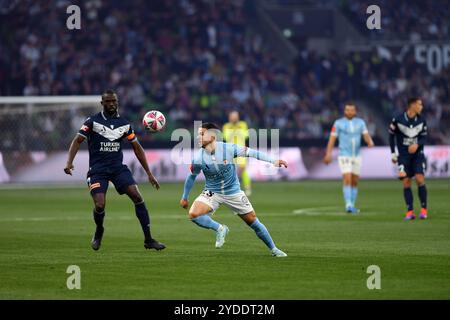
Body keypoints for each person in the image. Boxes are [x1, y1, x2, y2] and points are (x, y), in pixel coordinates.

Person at [64, 89, 166, 251]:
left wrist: (149, 173)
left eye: (114, 101)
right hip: (98, 170)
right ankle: (99, 230)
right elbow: (77, 141)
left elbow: (137, 148)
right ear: (102, 103)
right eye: (108, 101)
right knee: (100, 205)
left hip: (117, 168)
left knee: (137, 196)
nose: (112, 104)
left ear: (117, 103)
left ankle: (148, 239)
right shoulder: (92, 122)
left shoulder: (124, 124)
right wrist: (69, 162)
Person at [180, 123, 288, 257]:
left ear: (213, 136)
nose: (198, 137)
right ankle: (220, 229)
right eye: (198, 134)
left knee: (253, 222)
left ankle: (274, 249)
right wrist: (185, 197)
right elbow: (191, 177)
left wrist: (273, 161)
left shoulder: (229, 149)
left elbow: (252, 153)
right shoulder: (198, 158)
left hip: (233, 192)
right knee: (194, 214)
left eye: (202, 134)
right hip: (212, 192)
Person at [324, 103, 375, 213]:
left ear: (355, 111)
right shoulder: (338, 123)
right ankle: (348, 205)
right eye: (347, 110)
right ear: (345, 111)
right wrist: (328, 154)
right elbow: (332, 139)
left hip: (356, 155)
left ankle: (352, 204)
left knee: (355, 181)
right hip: (344, 154)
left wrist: (369, 142)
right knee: (347, 178)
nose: (349, 112)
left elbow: (365, 134)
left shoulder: (360, 122)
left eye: (352, 110)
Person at [389, 97, 428, 220]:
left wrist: (417, 144)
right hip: (404, 156)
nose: (421, 107)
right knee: (406, 182)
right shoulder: (397, 120)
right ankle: (410, 211)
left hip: (418, 155)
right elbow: (391, 136)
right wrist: (392, 153)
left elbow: (424, 138)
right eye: (420, 104)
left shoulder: (422, 120)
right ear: (412, 105)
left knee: (419, 178)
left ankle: (423, 209)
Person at [223, 111, 251, 195]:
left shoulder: (243, 124)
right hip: (230, 152)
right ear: (229, 118)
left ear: (238, 117)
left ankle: (247, 188)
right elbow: (226, 137)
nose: (233, 118)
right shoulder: (226, 126)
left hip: (241, 150)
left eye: (235, 116)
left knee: (242, 169)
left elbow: (246, 136)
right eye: (232, 116)